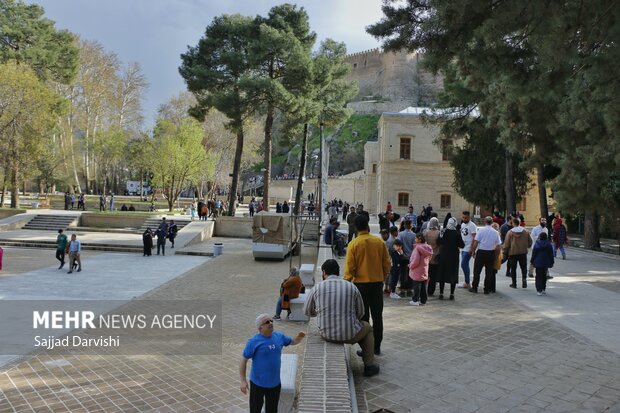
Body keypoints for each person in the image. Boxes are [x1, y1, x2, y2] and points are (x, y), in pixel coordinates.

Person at [304, 259, 380, 377]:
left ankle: (366, 355)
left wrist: (319, 313)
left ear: (324, 272)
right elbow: (361, 312)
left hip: (326, 334)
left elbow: (306, 311)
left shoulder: (317, 287)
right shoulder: (351, 287)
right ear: (338, 272)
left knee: (362, 328)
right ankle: (369, 365)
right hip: (350, 335)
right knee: (367, 328)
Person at [344, 215, 391, 355]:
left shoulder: (353, 244)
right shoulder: (379, 242)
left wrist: (347, 282)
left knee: (364, 318)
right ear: (367, 225)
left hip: (360, 286)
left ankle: (366, 348)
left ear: (356, 228)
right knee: (378, 316)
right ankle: (376, 346)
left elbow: (350, 269)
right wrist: (381, 276)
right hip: (377, 284)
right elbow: (387, 264)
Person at [240, 314, 305, 413]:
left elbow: (292, 341)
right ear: (260, 327)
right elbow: (243, 360)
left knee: (272, 410)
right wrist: (243, 380)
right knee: (255, 410)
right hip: (257, 383)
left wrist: (299, 337)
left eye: (271, 321)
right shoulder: (253, 342)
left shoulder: (279, 336)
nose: (270, 323)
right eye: (267, 322)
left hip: (274, 384)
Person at [470, 216, 502, 294]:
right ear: (492, 222)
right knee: (489, 272)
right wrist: (496, 255)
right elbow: (498, 246)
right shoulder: (495, 232)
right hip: (490, 252)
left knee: (477, 271)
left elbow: (476, 242)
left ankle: (475, 287)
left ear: (485, 222)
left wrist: (473, 251)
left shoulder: (481, 231)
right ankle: (486, 289)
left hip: (481, 252)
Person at [437, 217, 464, 300]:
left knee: (442, 273)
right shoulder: (457, 233)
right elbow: (462, 245)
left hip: (444, 255)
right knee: (453, 274)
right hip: (453, 256)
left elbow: (438, 241)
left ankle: (441, 293)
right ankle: (451, 294)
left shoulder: (443, 231)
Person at [503, 217, 532, 288]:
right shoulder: (525, 231)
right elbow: (530, 242)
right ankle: (524, 280)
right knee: (523, 267)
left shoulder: (510, 232)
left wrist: (504, 251)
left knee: (513, 268)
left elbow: (506, 244)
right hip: (523, 252)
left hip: (513, 253)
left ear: (513, 223)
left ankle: (514, 283)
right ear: (519, 223)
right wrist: (526, 246)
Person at [408, 233, 433, 306]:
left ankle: (415, 300)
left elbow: (416, 260)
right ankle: (423, 300)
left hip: (417, 270)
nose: (415, 239)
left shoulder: (417, 248)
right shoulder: (428, 248)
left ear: (419, 239)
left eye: (416, 238)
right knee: (424, 286)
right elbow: (429, 258)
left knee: (416, 286)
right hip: (424, 268)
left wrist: (410, 266)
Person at [396, 220, 416, 296]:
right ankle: (409, 290)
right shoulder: (414, 235)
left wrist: (401, 254)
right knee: (410, 274)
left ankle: (403, 290)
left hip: (403, 257)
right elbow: (415, 247)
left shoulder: (400, 234)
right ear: (411, 226)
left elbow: (398, 246)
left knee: (403, 274)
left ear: (404, 225)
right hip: (411, 258)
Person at [459, 211, 477, 289]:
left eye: (466, 218)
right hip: (463, 247)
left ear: (469, 217)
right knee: (464, 265)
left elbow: (474, 237)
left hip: (468, 248)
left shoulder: (472, 225)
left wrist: (472, 249)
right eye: (463, 217)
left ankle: (467, 282)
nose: (464, 219)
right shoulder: (462, 224)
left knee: (463, 264)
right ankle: (467, 282)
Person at [423, 217, 441, 296]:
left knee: (425, 274)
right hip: (436, 256)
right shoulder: (439, 233)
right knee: (433, 276)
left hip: (426, 256)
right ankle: (430, 291)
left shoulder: (426, 232)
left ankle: (423, 289)